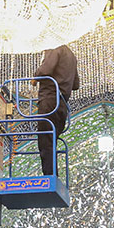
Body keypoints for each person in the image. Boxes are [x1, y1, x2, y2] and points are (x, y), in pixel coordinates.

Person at [34, 44, 78, 176]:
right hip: (62, 106)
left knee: (45, 141)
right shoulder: (71, 55)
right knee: (51, 142)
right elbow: (76, 84)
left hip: (49, 101)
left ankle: (49, 178)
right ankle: (53, 176)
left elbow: (46, 70)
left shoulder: (54, 46)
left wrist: (35, 78)